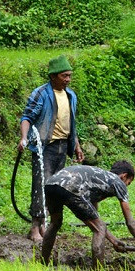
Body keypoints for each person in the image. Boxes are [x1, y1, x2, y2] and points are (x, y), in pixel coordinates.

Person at [38, 161, 135, 265]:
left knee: (55, 223)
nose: (126, 186)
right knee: (99, 228)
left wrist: (113, 240)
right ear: (124, 176)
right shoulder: (117, 182)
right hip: (72, 185)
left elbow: (95, 220)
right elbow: (130, 221)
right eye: (128, 183)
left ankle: (43, 262)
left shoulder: (97, 179)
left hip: (51, 184)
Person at [20, 55, 83, 243]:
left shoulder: (71, 96)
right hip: (45, 148)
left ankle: (46, 224)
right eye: (64, 76)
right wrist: (24, 138)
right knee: (40, 186)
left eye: (70, 76)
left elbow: (72, 124)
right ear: (53, 76)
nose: (68, 79)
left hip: (62, 147)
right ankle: (34, 227)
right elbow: (27, 118)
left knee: (56, 187)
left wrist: (77, 146)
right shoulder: (41, 94)